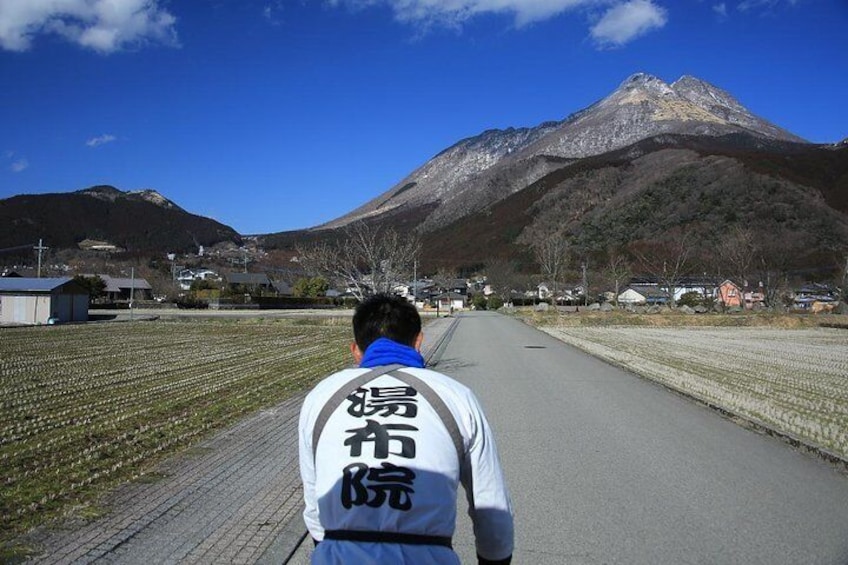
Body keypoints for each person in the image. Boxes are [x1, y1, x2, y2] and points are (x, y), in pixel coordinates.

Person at [298, 294, 514, 564]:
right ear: (419, 341)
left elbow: (314, 505)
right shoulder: (456, 396)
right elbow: (491, 506)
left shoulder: (322, 395)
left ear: (355, 349)